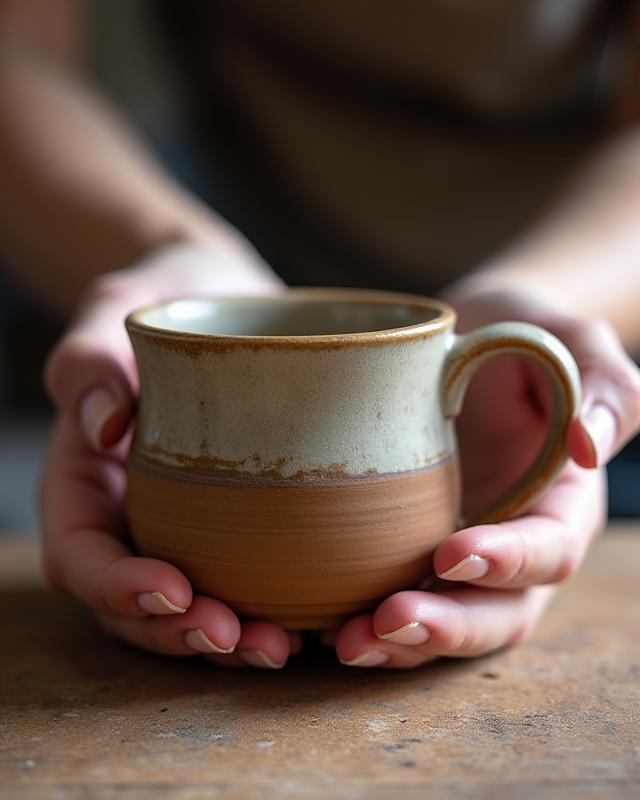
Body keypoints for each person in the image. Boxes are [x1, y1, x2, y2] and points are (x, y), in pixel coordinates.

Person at [1, 0, 639, 670]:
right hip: (237, 208)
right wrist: (164, 249)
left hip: (585, 240)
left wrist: (549, 303)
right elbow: (18, 53)